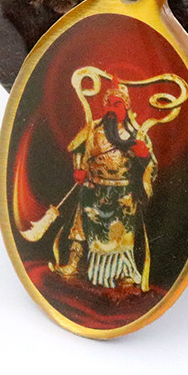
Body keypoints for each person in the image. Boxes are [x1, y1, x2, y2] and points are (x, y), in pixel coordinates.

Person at [50, 79, 157, 292]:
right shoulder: (93, 128)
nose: (111, 109)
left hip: (122, 194)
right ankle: (74, 264)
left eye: (117, 104)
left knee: (122, 237)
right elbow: (77, 148)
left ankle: (124, 273)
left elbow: (151, 165)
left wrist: (144, 155)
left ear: (126, 106)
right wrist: (79, 168)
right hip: (93, 188)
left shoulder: (137, 134)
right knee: (80, 229)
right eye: (108, 104)